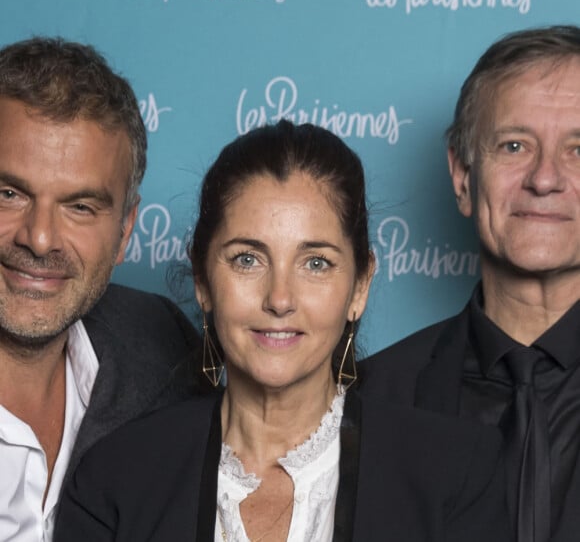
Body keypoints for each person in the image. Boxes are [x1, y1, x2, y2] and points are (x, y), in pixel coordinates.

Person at [54, 120, 509, 542]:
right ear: (202, 280)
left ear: (360, 286)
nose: (280, 298)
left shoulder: (455, 472)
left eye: (316, 263)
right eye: (247, 259)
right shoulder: (116, 477)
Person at [358, 24, 580, 542]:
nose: (545, 178)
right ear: (462, 178)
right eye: (514, 145)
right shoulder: (368, 403)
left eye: (579, 148)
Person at [0, 37, 199, 541]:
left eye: (80, 207)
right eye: (8, 193)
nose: (39, 238)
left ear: (125, 231)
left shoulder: (159, 347)